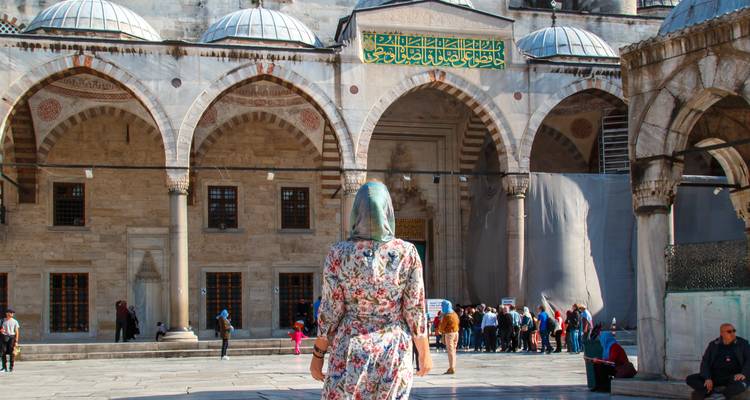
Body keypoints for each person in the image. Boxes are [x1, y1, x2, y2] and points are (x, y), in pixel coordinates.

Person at [310, 182, 432, 398]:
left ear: (356, 211)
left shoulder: (338, 254)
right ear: (388, 210)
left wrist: (318, 356)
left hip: (350, 348)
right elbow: (414, 308)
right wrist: (424, 352)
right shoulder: (407, 253)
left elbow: (331, 309)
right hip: (393, 349)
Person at [686, 323, 749, 400]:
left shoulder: (742, 343)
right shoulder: (713, 345)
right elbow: (705, 362)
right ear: (722, 333)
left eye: (734, 331)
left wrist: (743, 373)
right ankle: (710, 392)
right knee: (690, 379)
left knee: (741, 385)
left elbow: (749, 359)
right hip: (715, 377)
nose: (732, 333)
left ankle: (723, 395)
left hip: (733, 377)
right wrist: (707, 378)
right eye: (729, 331)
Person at [438, 300, 459, 374]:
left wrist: (440, 329)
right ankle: (453, 366)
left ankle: (451, 368)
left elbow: (442, 327)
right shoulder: (454, 314)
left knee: (450, 351)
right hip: (456, 333)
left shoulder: (447, 316)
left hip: (449, 334)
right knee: (453, 350)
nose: (441, 307)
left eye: (442, 306)